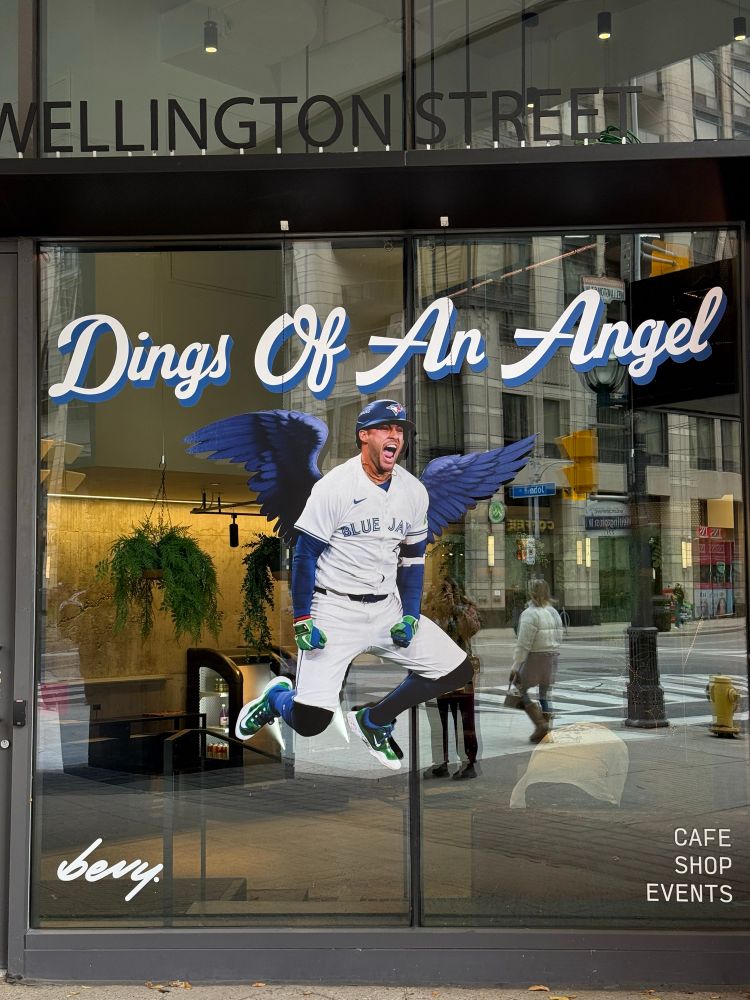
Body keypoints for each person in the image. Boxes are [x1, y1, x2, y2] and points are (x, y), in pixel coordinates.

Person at [233, 399, 473, 770]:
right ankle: (277, 698)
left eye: (400, 430)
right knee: (312, 722)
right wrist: (302, 619)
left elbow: (411, 560)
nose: (395, 436)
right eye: (385, 429)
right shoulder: (335, 487)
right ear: (364, 436)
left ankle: (374, 720)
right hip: (335, 609)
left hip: (386, 607)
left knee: (456, 670)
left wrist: (410, 615)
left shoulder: (413, 492)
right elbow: (305, 556)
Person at [422, 577, 480, 780]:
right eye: (443, 590)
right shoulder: (431, 610)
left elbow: (471, 630)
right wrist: (438, 609)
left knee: (464, 719)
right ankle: (441, 762)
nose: (448, 594)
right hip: (438, 672)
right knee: (439, 721)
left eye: (452, 590)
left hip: (460, 672)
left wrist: (456, 610)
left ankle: (468, 762)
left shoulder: (465, 608)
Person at [509, 578, 563, 744]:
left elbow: (523, 644)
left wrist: (516, 666)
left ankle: (540, 724)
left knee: (519, 688)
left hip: (535, 658)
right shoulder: (553, 612)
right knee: (545, 694)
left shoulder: (529, 614)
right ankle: (547, 729)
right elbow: (559, 635)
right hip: (552, 657)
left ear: (531, 593)